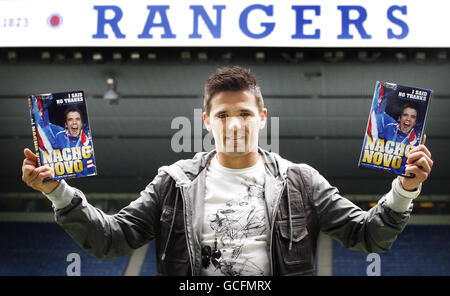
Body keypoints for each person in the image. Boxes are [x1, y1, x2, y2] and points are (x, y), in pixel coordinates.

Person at [22, 66, 433, 276]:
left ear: (262, 118)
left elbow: (367, 236)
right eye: (223, 115)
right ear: (206, 121)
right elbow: (111, 240)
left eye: (244, 114)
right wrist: (58, 191)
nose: (234, 124)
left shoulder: (301, 180)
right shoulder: (173, 181)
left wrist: (405, 190)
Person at [31, 99, 96, 178]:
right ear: (66, 124)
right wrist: (36, 102)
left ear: (81, 124)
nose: (74, 122)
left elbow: (90, 173)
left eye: (77, 119)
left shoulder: (87, 144)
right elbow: (41, 125)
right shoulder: (59, 133)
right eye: (70, 119)